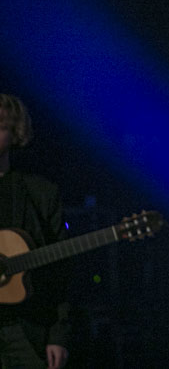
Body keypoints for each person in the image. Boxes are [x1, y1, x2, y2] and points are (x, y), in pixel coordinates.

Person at [0, 94, 70, 369]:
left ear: (14, 131)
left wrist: (58, 334)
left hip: (28, 330)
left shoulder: (41, 193)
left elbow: (60, 273)